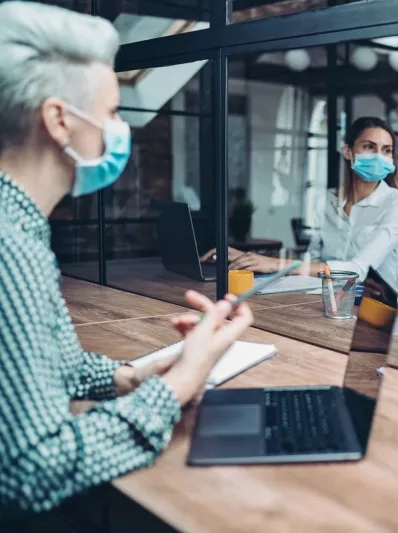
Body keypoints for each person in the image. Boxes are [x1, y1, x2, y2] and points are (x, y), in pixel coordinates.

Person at [0, 2, 253, 518]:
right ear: (59, 120)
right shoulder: (10, 244)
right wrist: (179, 386)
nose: (120, 130)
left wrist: (131, 378)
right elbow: (32, 469)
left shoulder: (20, 224)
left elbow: (47, 369)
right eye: (113, 112)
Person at [203, 117, 398, 291]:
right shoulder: (327, 200)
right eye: (369, 147)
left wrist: (276, 264)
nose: (379, 156)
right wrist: (252, 259)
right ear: (348, 152)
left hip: (374, 307)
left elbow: (358, 270)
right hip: (324, 298)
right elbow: (312, 261)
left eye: (386, 150)